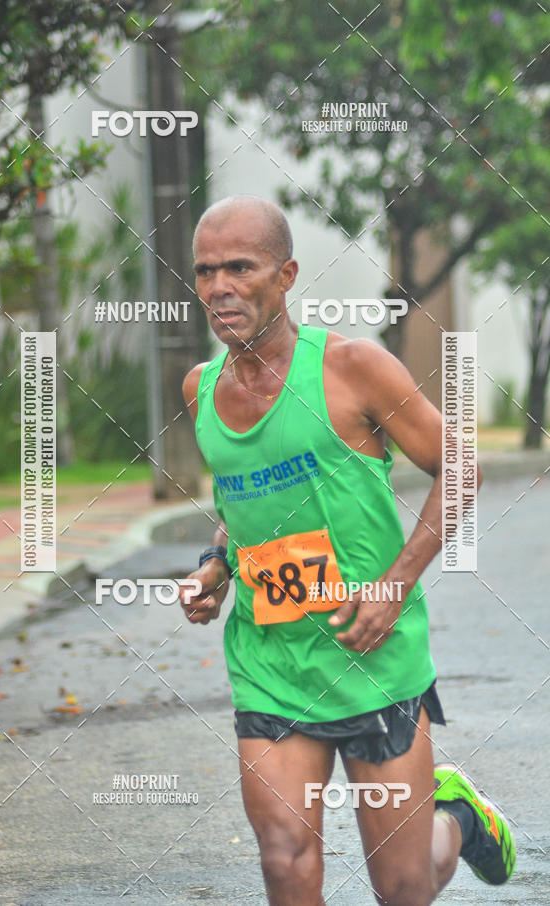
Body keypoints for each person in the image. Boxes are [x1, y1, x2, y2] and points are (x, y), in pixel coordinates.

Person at [178, 195, 515, 906]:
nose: (219, 288)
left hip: (375, 661)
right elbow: (242, 511)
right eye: (206, 271)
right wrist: (216, 567)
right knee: (283, 858)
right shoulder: (200, 390)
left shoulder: (354, 367)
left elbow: (460, 468)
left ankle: (456, 818)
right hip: (273, 667)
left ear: (287, 274)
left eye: (240, 267)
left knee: (404, 887)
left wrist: (395, 584)